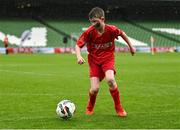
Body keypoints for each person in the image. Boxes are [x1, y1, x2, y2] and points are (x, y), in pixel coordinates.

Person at [75, 7, 135, 117]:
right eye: (91, 22)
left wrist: (131, 47)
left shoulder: (111, 29)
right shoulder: (89, 32)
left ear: (102, 19)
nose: (92, 24)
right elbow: (78, 45)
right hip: (94, 61)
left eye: (95, 21)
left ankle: (119, 108)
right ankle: (90, 106)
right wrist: (79, 56)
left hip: (108, 59)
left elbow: (122, 34)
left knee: (111, 80)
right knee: (94, 89)